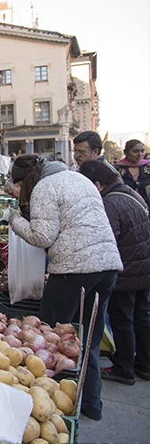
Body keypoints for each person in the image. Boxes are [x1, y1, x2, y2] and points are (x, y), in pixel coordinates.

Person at [8, 155, 123, 421]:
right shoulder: (77, 178)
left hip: (75, 270)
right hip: (107, 266)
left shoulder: (44, 187)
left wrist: (14, 219)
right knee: (89, 338)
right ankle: (91, 404)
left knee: (50, 338)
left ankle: (50, 407)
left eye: (19, 185)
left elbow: (42, 236)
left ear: (26, 179)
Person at [78, 160, 150, 385]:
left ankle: (124, 368)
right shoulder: (130, 193)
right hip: (143, 266)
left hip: (126, 270)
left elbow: (106, 239)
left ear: (97, 184)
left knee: (122, 320)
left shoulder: (109, 203)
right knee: (142, 316)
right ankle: (144, 365)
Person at [115, 139, 150, 208]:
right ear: (126, 152)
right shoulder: (117, 169)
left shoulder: (148, 167)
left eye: (142, 151)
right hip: (126, 207)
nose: (140, 154)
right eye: (135, 151)